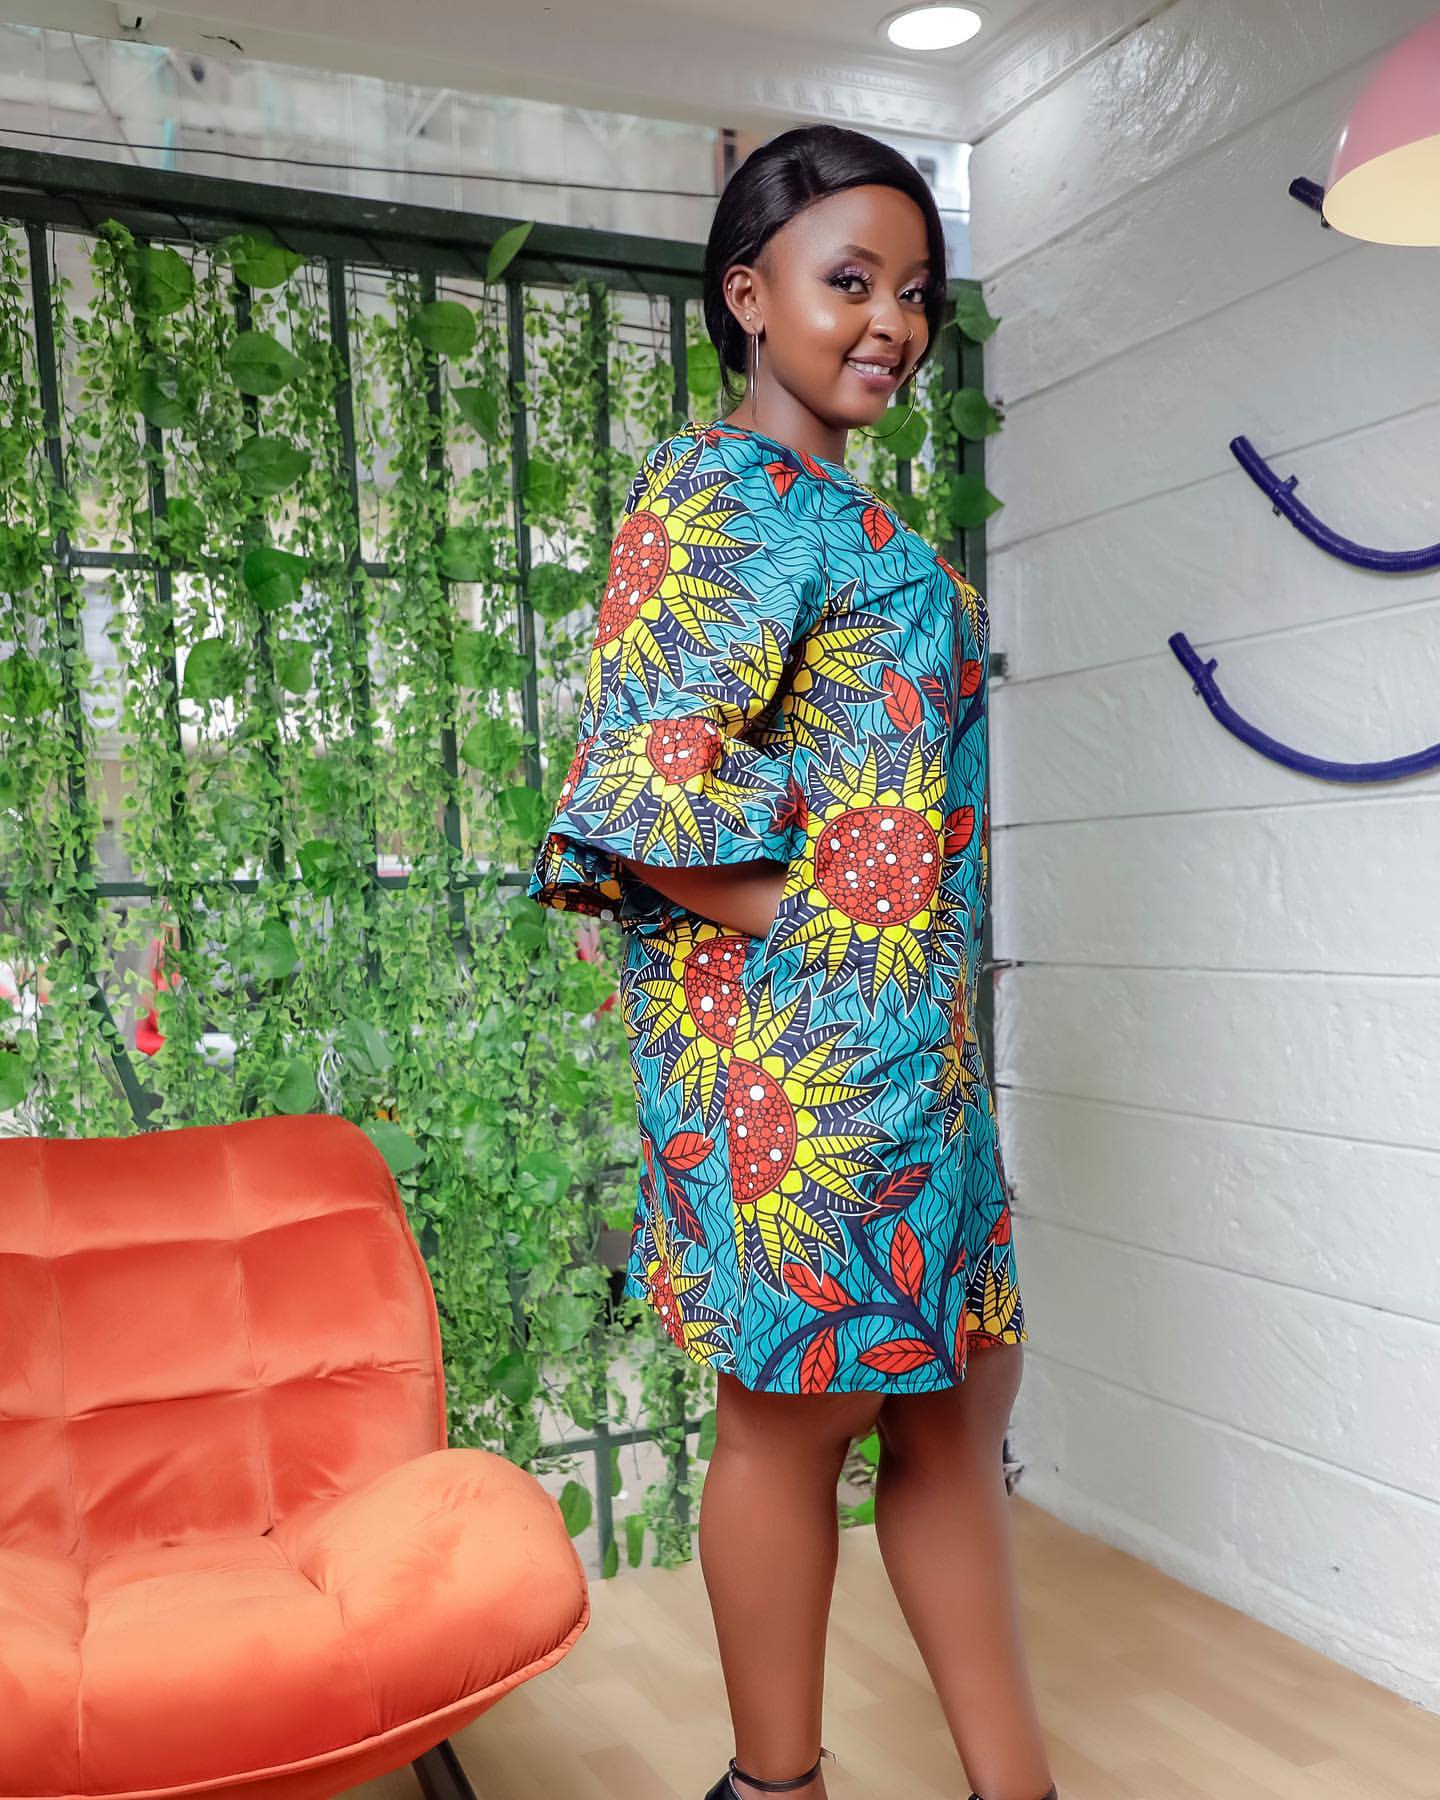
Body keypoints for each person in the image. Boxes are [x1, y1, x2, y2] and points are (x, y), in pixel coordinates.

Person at [528, 123, 1054, 1800]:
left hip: (915, 1054)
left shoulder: (844, 510)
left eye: (916, 290)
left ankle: (1016, 1786)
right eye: (852, 282)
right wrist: (837, 944)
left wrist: (899, 981)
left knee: (957, 1402)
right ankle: (776, 1788)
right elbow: (647, 787)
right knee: (795, 1416)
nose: (894, 321)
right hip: (810, 1072)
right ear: (748, 295)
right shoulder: (721, 495)